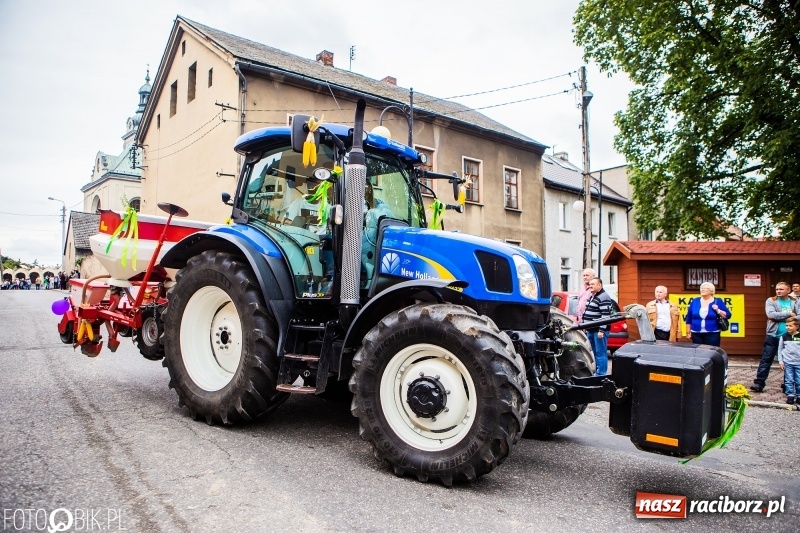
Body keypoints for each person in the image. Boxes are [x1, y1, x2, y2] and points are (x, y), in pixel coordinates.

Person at [752, 281, 799, 392]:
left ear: (788, 290)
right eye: (777, 289)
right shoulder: (771, 300)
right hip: (773, 335)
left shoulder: (796, 301)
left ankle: (787, 385)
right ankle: (759, 383)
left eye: (781, 289)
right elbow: (771, 315)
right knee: (766, 359)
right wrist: (790, 315)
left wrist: (780, 318)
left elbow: (798, 317)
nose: (778, 291)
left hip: (790, 337)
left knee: (789, 361)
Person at [582, 277, 613, 375]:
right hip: (590, 329)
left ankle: (601, 374)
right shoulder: (592, 296)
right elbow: (587, 312)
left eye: (593, 284)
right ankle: (596, 370)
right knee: (593, 352)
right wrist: (585, 325)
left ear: (600, 285)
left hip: (598, 331)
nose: (590, 286)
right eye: (590, 284)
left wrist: (601, 330)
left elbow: (606, 316)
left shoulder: (604, 297)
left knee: (600, 353)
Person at [684, 282, 730, 347]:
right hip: (696, 333)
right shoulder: (695, 301)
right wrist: (688, 333)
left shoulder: (718, 301)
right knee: (698, 353)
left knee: (711, 352)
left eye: (705, 288)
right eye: (701, 288)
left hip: (712, 333)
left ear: (711, 290)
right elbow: (689, 318)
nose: (702, 290)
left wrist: (718, 310)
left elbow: (728, 315)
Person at [778, 316, 800, 404]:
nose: (788, 327)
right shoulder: (784, 337)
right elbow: (780, 350)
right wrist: (781, 361)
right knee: (789, 379)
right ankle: (790, 395)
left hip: (798, 362)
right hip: (788, 362)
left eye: (790, 326)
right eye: (786, 325)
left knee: (798, 380)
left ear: (797, 326)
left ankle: (799, 395)